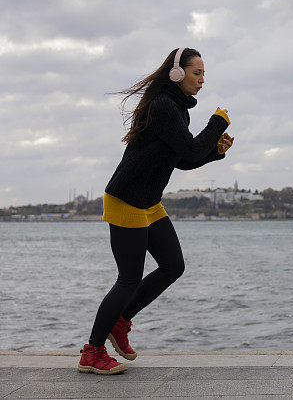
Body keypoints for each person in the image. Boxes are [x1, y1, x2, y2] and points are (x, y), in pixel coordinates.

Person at [78, 48, 234, 375]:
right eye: (197, 73)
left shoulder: (176, 109)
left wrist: (216, 152)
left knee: (173, 265)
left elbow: (185, 158)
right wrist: (217, 123)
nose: (202, 80)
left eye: (204, 74)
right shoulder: (164, 106)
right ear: (176, 73)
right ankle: (91, 352)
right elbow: (190, 148)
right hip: (127, 198)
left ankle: (120, 321)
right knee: (129, 278)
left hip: (149, 201)